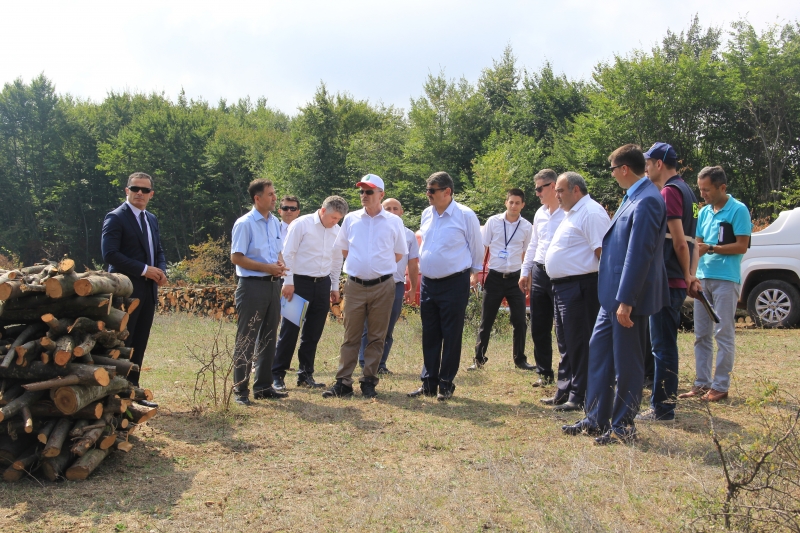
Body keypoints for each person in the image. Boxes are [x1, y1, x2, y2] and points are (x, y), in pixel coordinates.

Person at [563, 144, 668, 445]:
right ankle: (595, 418)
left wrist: (627, 300)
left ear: (624, 169)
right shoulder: (632, 196)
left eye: (611, 169)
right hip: (611, 298)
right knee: (600, 354)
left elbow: (640, 255)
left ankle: (623, 427)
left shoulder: (647, 200)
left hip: (627, 300)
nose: (611, 175)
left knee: (627, 363)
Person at [323, 174, 407, 399]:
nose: (364, 195)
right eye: (361, 191)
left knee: (377, 336)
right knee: (351, 335)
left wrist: (377, 267)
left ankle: (369, 381)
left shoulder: (394, 222)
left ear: (381, 194)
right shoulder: (351, 219)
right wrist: (361, 267)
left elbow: (399, 253)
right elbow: (343, 249)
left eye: (369, 192)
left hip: (383, 286)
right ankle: (343, 382)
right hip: (355, 285)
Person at [637, 143, 698, 422]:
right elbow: (693, 241)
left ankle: (663, 409)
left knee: (662, 348)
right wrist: (692, 274)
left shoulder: (669, 192)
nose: (645, 168)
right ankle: (664, 405)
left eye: (648, 162)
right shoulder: (687, 190)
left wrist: (685, 275)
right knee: (664, 345)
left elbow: (680, 243)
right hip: (675, 278)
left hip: (668, 280)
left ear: (659, 163)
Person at [408, 171, 483, 401]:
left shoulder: (465, 215)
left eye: (432, 190)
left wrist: (474, 275)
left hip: (454, 282)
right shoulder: (426, 214)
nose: (428, 194)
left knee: (451, 334)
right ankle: (428, 382)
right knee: (430, 333)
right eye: (427, 190)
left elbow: (476, 248)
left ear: (447, 192)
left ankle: (446, 383)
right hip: (429, 282)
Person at [678, 166, 751, 402]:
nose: (703, 194)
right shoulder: (705, 212)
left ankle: (720, 386)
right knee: (701, 334)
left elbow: (741, 246)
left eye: (706, 190)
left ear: (722, 187)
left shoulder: (738, 210)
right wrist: (692, 274)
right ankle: (701, 383)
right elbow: (695, 244)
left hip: (725, 280)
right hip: (703, 279)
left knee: (723, 333)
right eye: (700, 189)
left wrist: (712, 248)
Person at [539, 172, 609, 412]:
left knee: (579, 341)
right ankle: (565, 388)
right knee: (566, 341)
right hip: (562, 287)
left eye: (560, 190)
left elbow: (604, 254)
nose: (556, 195)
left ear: (576, 190)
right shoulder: (572, 213)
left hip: (582, 286)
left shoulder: (591, 213)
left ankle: (580, 395)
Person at [101, 172, 167, 408]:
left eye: (145, 190)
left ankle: (132, 393)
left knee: (139, 343)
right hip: (125, 292)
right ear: (126, 191)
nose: (140, 193)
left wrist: (160, 270)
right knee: (122, 344)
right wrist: (143, 270)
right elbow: (110, 254)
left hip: (148, 292)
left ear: (151, 194)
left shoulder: (152, 219)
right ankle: (114, 395)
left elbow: (158, 250)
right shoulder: (116, 217)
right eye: (135, 189)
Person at [271, 196, 349, 391]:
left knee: (313, 332)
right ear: (322, 211)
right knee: (289, 330)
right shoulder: (301, 225)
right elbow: (288, 253)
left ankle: (305, 374)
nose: (335, 222)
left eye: (339, 218)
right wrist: (288, 282)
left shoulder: (337, 232)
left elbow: (336, 262)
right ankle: (277, 375)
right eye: (332, 217)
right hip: (298, 282)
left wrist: (333, 287)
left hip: (322, 284)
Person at [229, 179, 288, 406]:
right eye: (271, 194)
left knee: (269, 336)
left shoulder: (274, 222)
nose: (275, 198)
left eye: (274, 193)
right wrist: (267, 268)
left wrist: (280, 265)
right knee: (247, 338)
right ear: (257, 198)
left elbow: (277, 251)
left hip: (274, 285)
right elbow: (237, 257)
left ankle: (263, 386)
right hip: (252, 285)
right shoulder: (244, 223)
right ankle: (240, 390)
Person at [470, 188, 534, 371]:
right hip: (495, 277)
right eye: (510, 202)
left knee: (520, 320)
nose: (513, 206)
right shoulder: (493, 222)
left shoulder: (527, 227)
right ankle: (478, 359)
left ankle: (520, 359)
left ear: (523, 205)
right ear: (506, 202)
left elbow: (527, 254)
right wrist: (474, 273)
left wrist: (527, 276)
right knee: (486, 320)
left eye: (517, 203)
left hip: (516, 279)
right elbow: (482, 247)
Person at [357, 198, 419, 374]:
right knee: (368, 326)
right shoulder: (372, 230)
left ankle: (380, 364)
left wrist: (413, 288)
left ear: (402, 212)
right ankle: (364, 363)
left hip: (396, 285)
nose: (392, 211)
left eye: (395, 208)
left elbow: (413, 263)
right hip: (373, 283)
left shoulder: (409, 235)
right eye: (387, 208)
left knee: (388, 326)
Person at [520, 169, 565, 386]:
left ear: (553, 186)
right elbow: (533, 245)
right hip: (539, 272)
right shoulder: (539, 213)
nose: (537, 193)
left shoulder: (568, 212)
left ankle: (569, 375)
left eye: (540, 188)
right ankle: (544, 373)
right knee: (539, 325)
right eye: (535, 189)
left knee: (563, 327)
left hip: (562, 274)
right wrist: (525, 271)